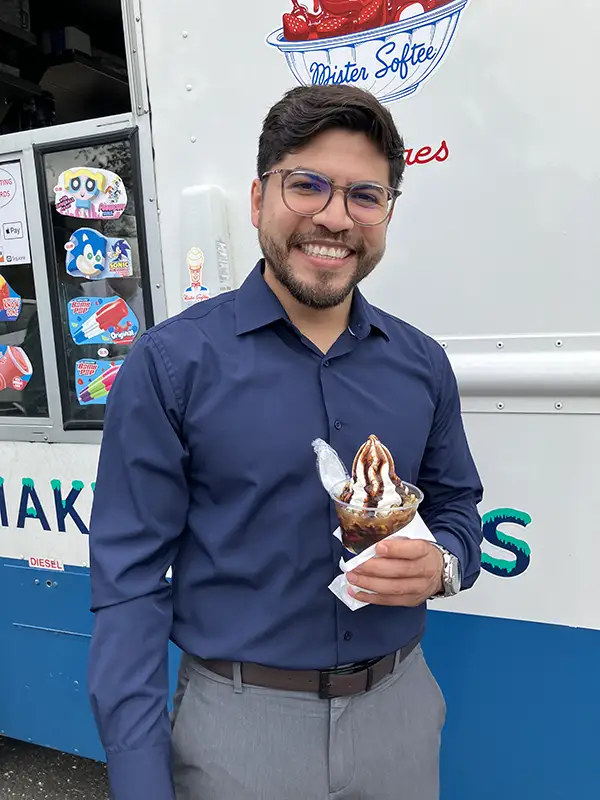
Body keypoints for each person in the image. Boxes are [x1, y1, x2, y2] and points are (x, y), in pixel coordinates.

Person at [88, 84, 484, 800]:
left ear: (385, 214)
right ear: (257, 198)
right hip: (239, 732)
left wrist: (445, 565)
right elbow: (130, 588)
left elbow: (459, 509)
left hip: (400, 714)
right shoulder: (173, 365)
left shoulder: (421, 364)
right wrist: (140, 780)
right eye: (307, 185)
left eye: (365, 195)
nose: (335, 217)